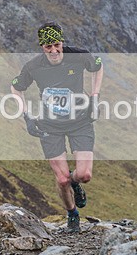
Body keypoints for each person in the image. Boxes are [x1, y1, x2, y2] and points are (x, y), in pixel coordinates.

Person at [10, 22, 103, 233]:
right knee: (62, 180)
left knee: (84, 175)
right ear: (42, 47)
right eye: (48, 47)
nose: (53, 51)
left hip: (80, 122)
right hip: (49, 125)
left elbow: (98, 66)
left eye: (56, 45)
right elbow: (15, 88)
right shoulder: (34, 66)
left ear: (62, 42)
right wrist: (27, 117)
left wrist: (95, 97)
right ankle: (72, 214)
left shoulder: (78, 56)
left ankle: (75, 182)